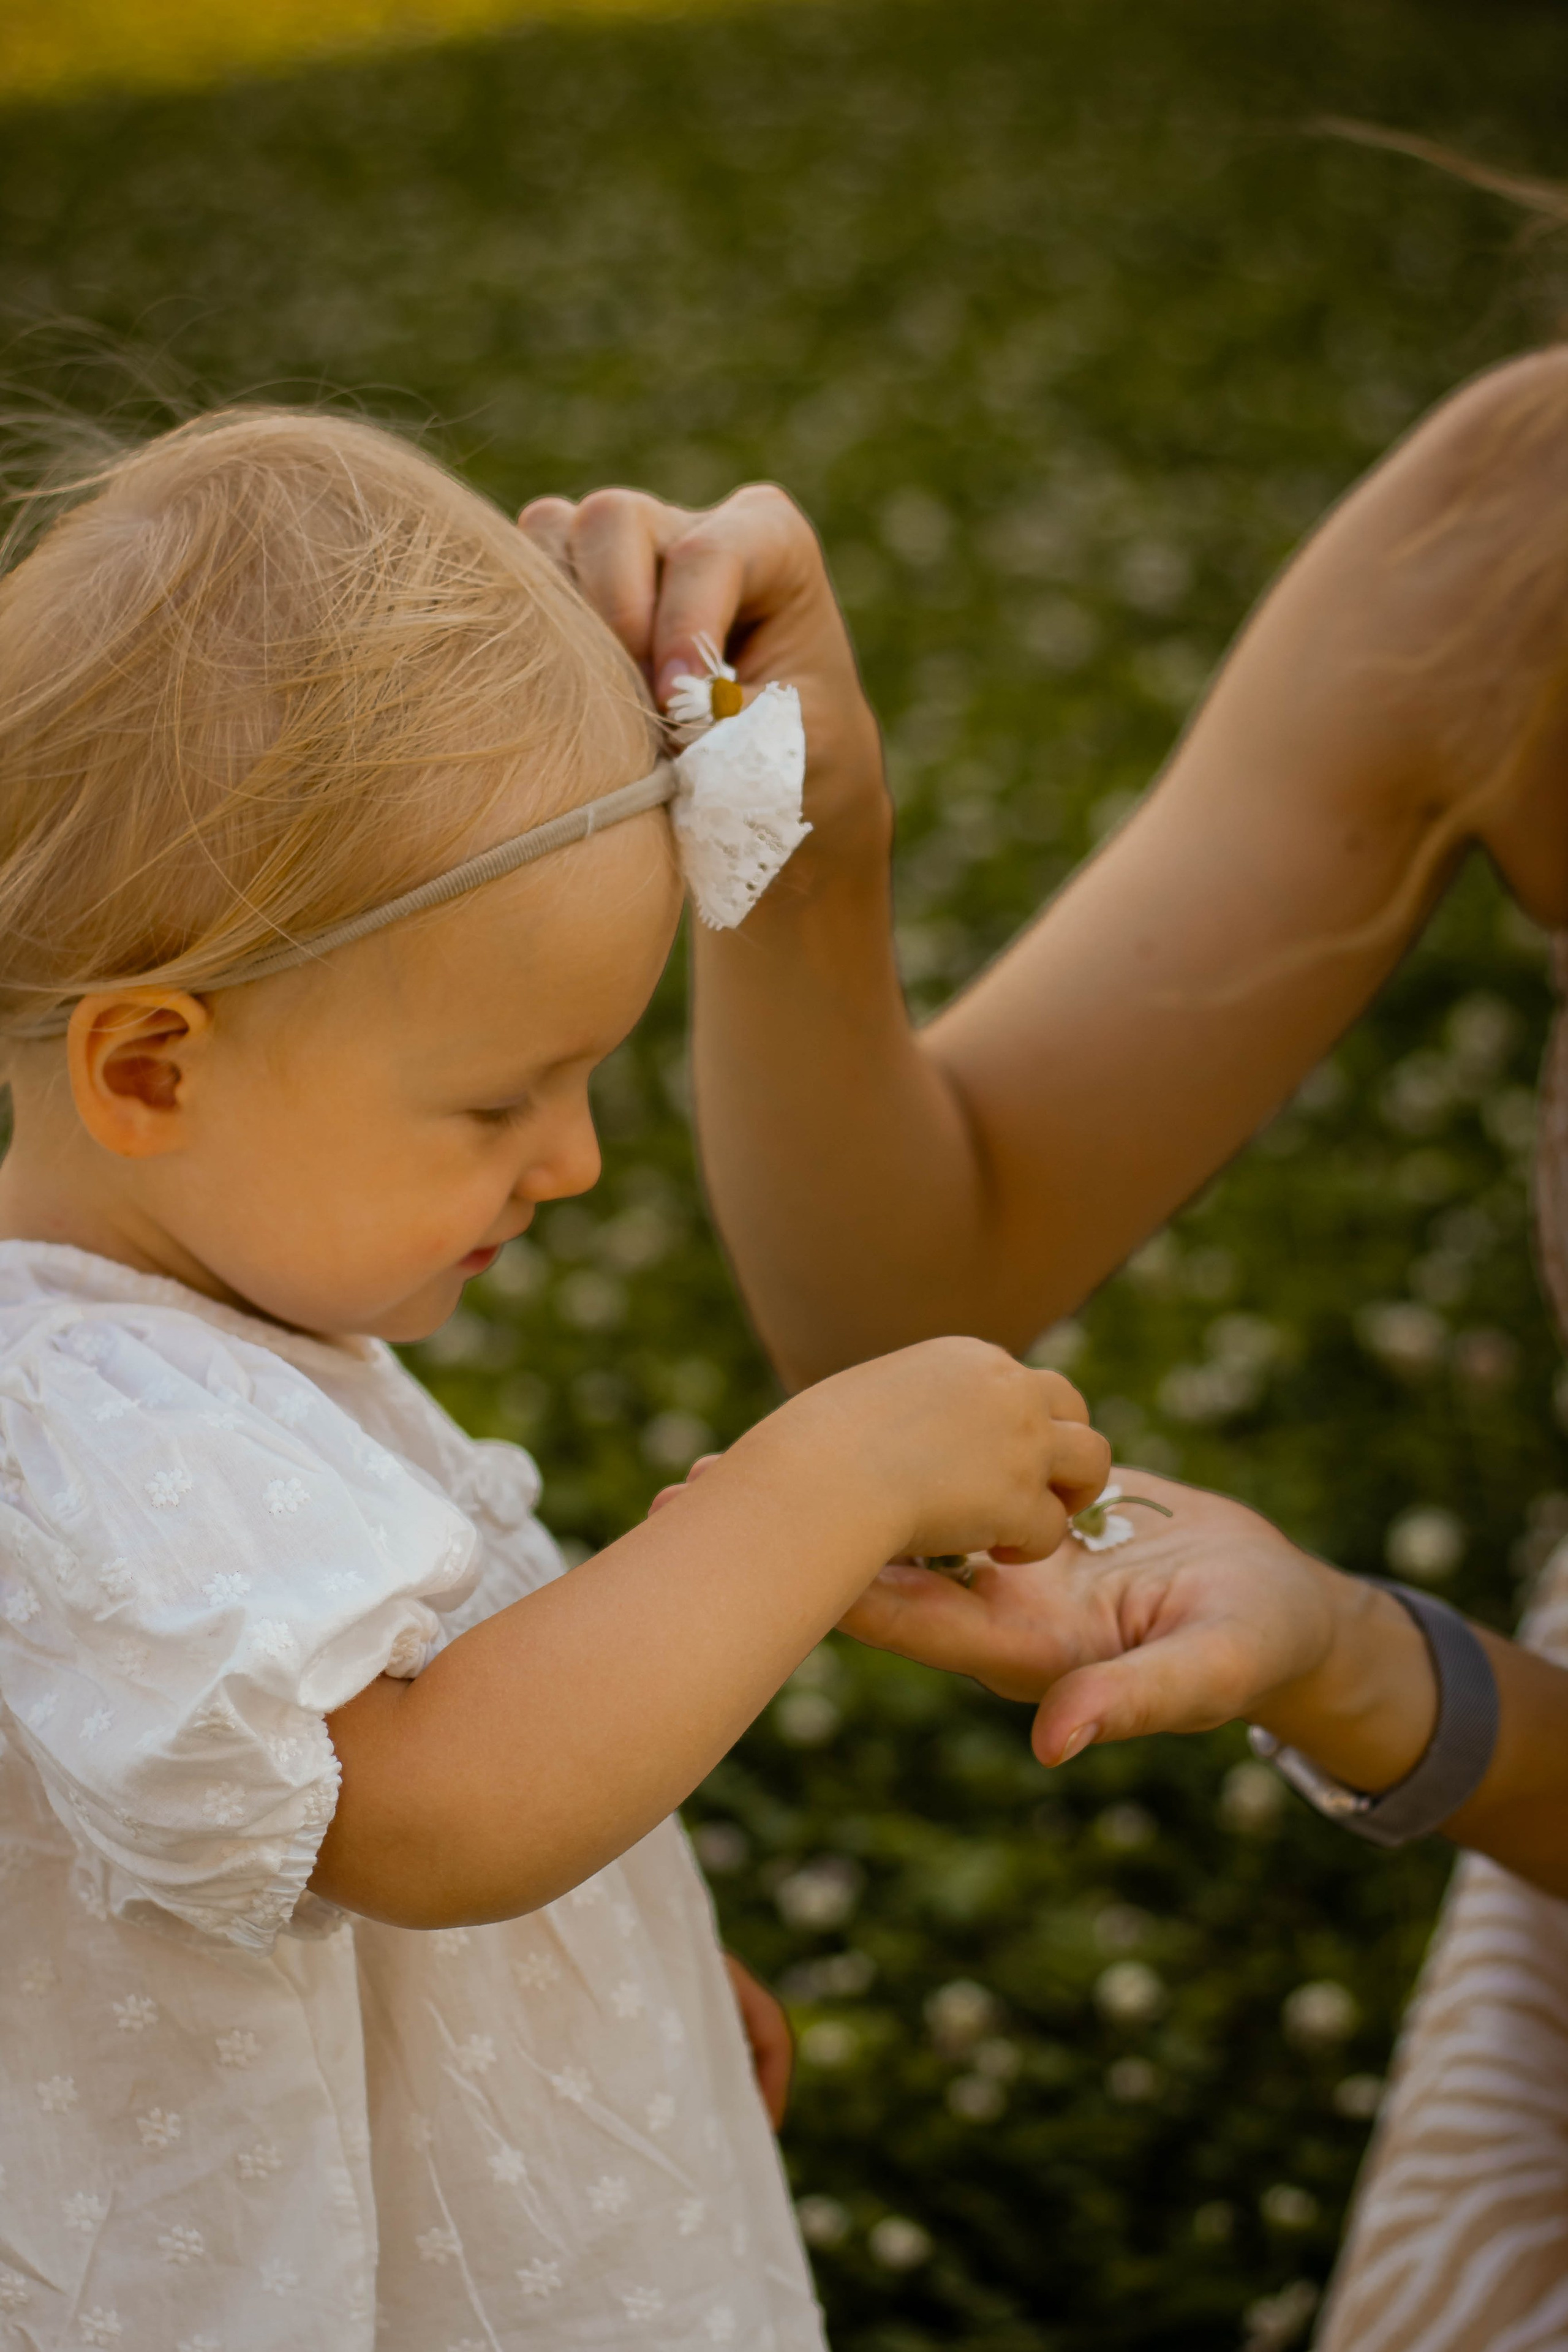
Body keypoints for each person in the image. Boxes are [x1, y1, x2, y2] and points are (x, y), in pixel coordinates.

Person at [0, 406, 1109, 2351]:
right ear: (150, 1069)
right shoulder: (77, 1416)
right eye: (501, 1098)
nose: (576, 1161)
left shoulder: (194, 1339)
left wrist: (608, 1984)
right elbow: (425, 1808)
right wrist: (821, 1480)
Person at [526, 342, 1568, 2352]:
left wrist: (1372, 1670)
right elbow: (898, 1306)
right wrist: (801, 846)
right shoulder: (1523, 527)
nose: (565, 1170)